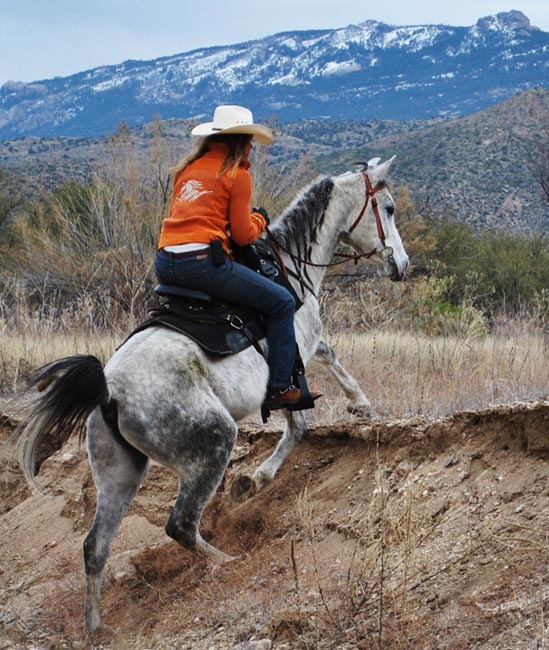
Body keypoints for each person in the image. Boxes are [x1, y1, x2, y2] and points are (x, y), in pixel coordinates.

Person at [155, 104, 319, 410]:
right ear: (242, 141)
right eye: (250, 142)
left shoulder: (187, 170)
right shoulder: (236, 174)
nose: (252, 149)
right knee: (281, 302)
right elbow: (244, 236)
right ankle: (281, 387)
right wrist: (261, 220)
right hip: (202, 264)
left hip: (166, 262)